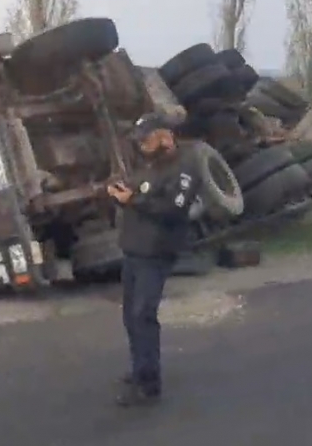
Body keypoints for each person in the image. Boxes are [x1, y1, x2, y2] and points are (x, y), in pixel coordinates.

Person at [106, 113, 202, 407]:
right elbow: (138, 190)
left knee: (143, 316)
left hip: (155, 253)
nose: (142, 145)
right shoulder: (150, 165)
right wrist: (120, 193)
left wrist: (133, 200)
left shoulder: (185, 167)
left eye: (146, 139)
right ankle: (139, 369)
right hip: (134, 250)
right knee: (130, 317)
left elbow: (172, 209)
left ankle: (149, 384)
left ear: (164, 135)